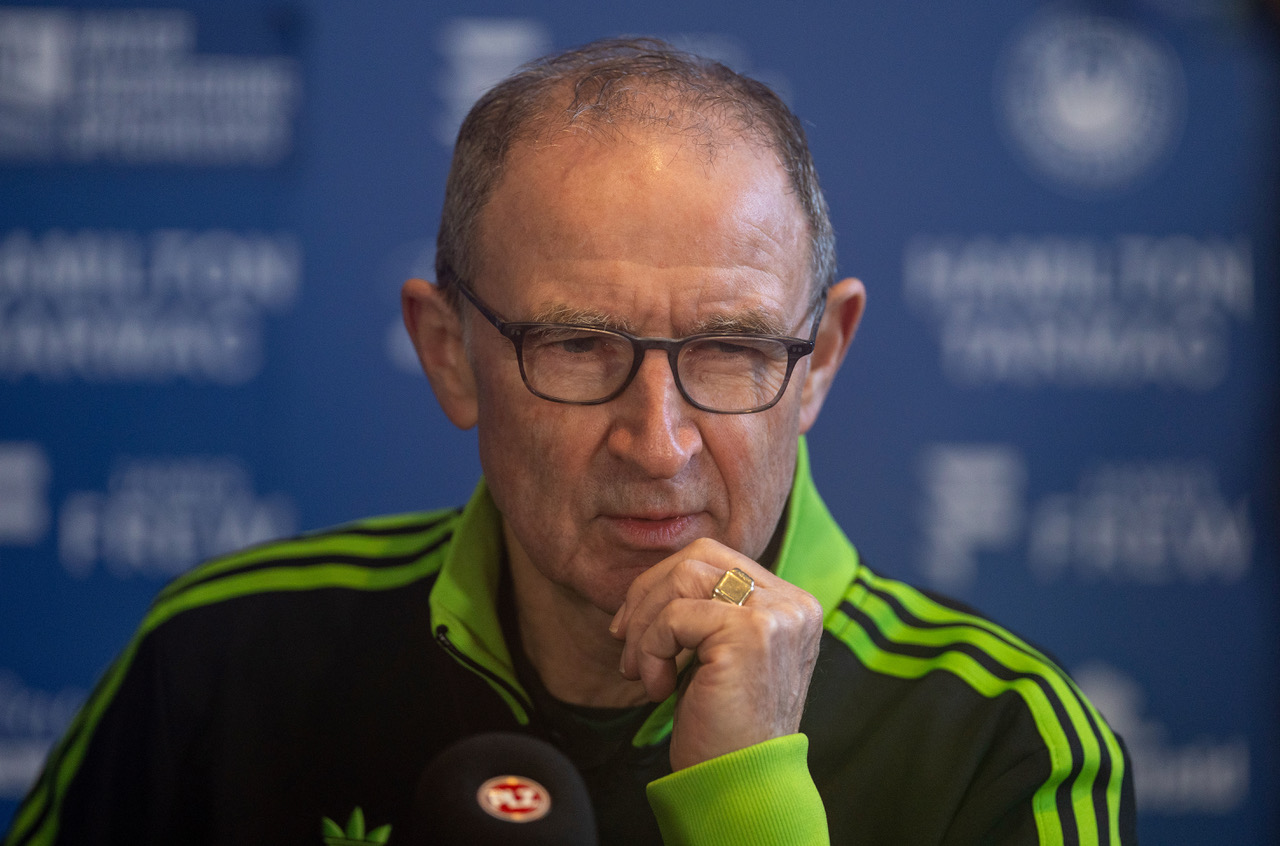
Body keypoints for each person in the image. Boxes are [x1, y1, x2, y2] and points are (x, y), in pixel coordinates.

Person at [4, 38, 1135, 845]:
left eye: (731, 349)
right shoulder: (219, 663)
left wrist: (749, 805)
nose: (659, 443)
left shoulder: (1005, 739)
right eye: (580, 345)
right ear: (448, 352)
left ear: (820, 362)